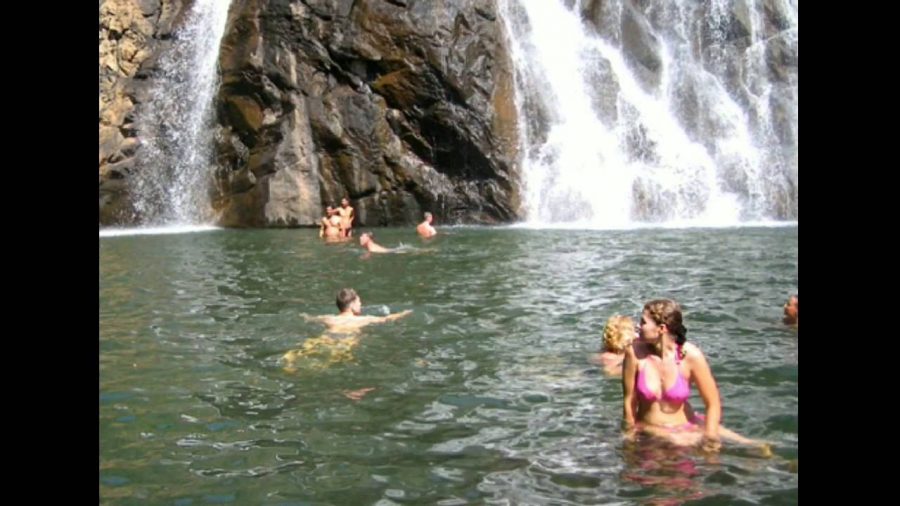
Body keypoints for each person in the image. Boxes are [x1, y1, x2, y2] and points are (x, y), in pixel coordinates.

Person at [622, 299, 769, 453]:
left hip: (688, 425)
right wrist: (629, 436)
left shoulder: (691, 356)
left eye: (643, 322)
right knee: (681, 446)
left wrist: (711, 437)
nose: (638, 326)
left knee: (747, 446)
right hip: (651, 430)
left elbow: (712, 402)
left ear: (661, 328)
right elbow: (629, 401)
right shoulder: (634, 353)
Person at [283, 288, 412, 369]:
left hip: (325, 338)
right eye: (359, 302)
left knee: (307, 349)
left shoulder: (329, 318)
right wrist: (404, 313)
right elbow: (387, 319)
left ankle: (290, 361)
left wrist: (303, 315)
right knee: (325, 362)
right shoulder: (362, 320)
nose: (361, 304)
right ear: (352, 304)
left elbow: (309, 318)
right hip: (344, 342)